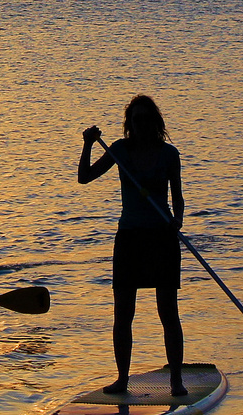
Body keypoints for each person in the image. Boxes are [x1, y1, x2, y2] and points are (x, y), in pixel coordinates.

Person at [78, 95, 187, 397]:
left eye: (146, 119)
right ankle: (122, 379)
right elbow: (84, 178)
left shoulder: (169, 154)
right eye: (135, 120)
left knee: (168, 312)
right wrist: (87, 143)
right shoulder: (120, 151)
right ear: (129, 125)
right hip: (129, 238)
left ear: (155, 122)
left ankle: (176, 381)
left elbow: (177, 197)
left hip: (162, 237)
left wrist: (177, 219)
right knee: (123, 314)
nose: (141, 125)